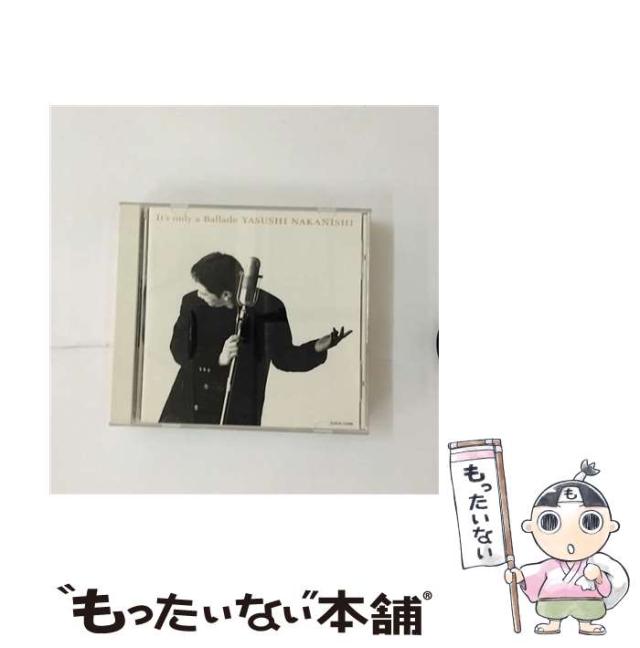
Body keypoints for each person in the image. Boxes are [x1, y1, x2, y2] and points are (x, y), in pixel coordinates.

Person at [159, 252, 351, 425]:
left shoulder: (269, 308)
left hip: (237, 410)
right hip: (188, 407)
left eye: (204, 292)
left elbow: (284, 358)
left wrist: (317, 347)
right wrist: (218, 358)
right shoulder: (192, 303)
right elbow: (179, 350)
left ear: (226, 294)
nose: (199, 295)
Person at [504, 460, 629, 636]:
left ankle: (586, 623)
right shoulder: (549, 566)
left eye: (590, 522)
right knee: (550, 609)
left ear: (610, 526)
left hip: (588, 602)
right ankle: (553, 622)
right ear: (531, 526)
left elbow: (605, 589)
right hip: (552, 602)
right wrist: (519, 576)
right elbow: (535, 575)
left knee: (589, 609)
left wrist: (598, 577)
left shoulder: (594, 563)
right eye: (550, 522)